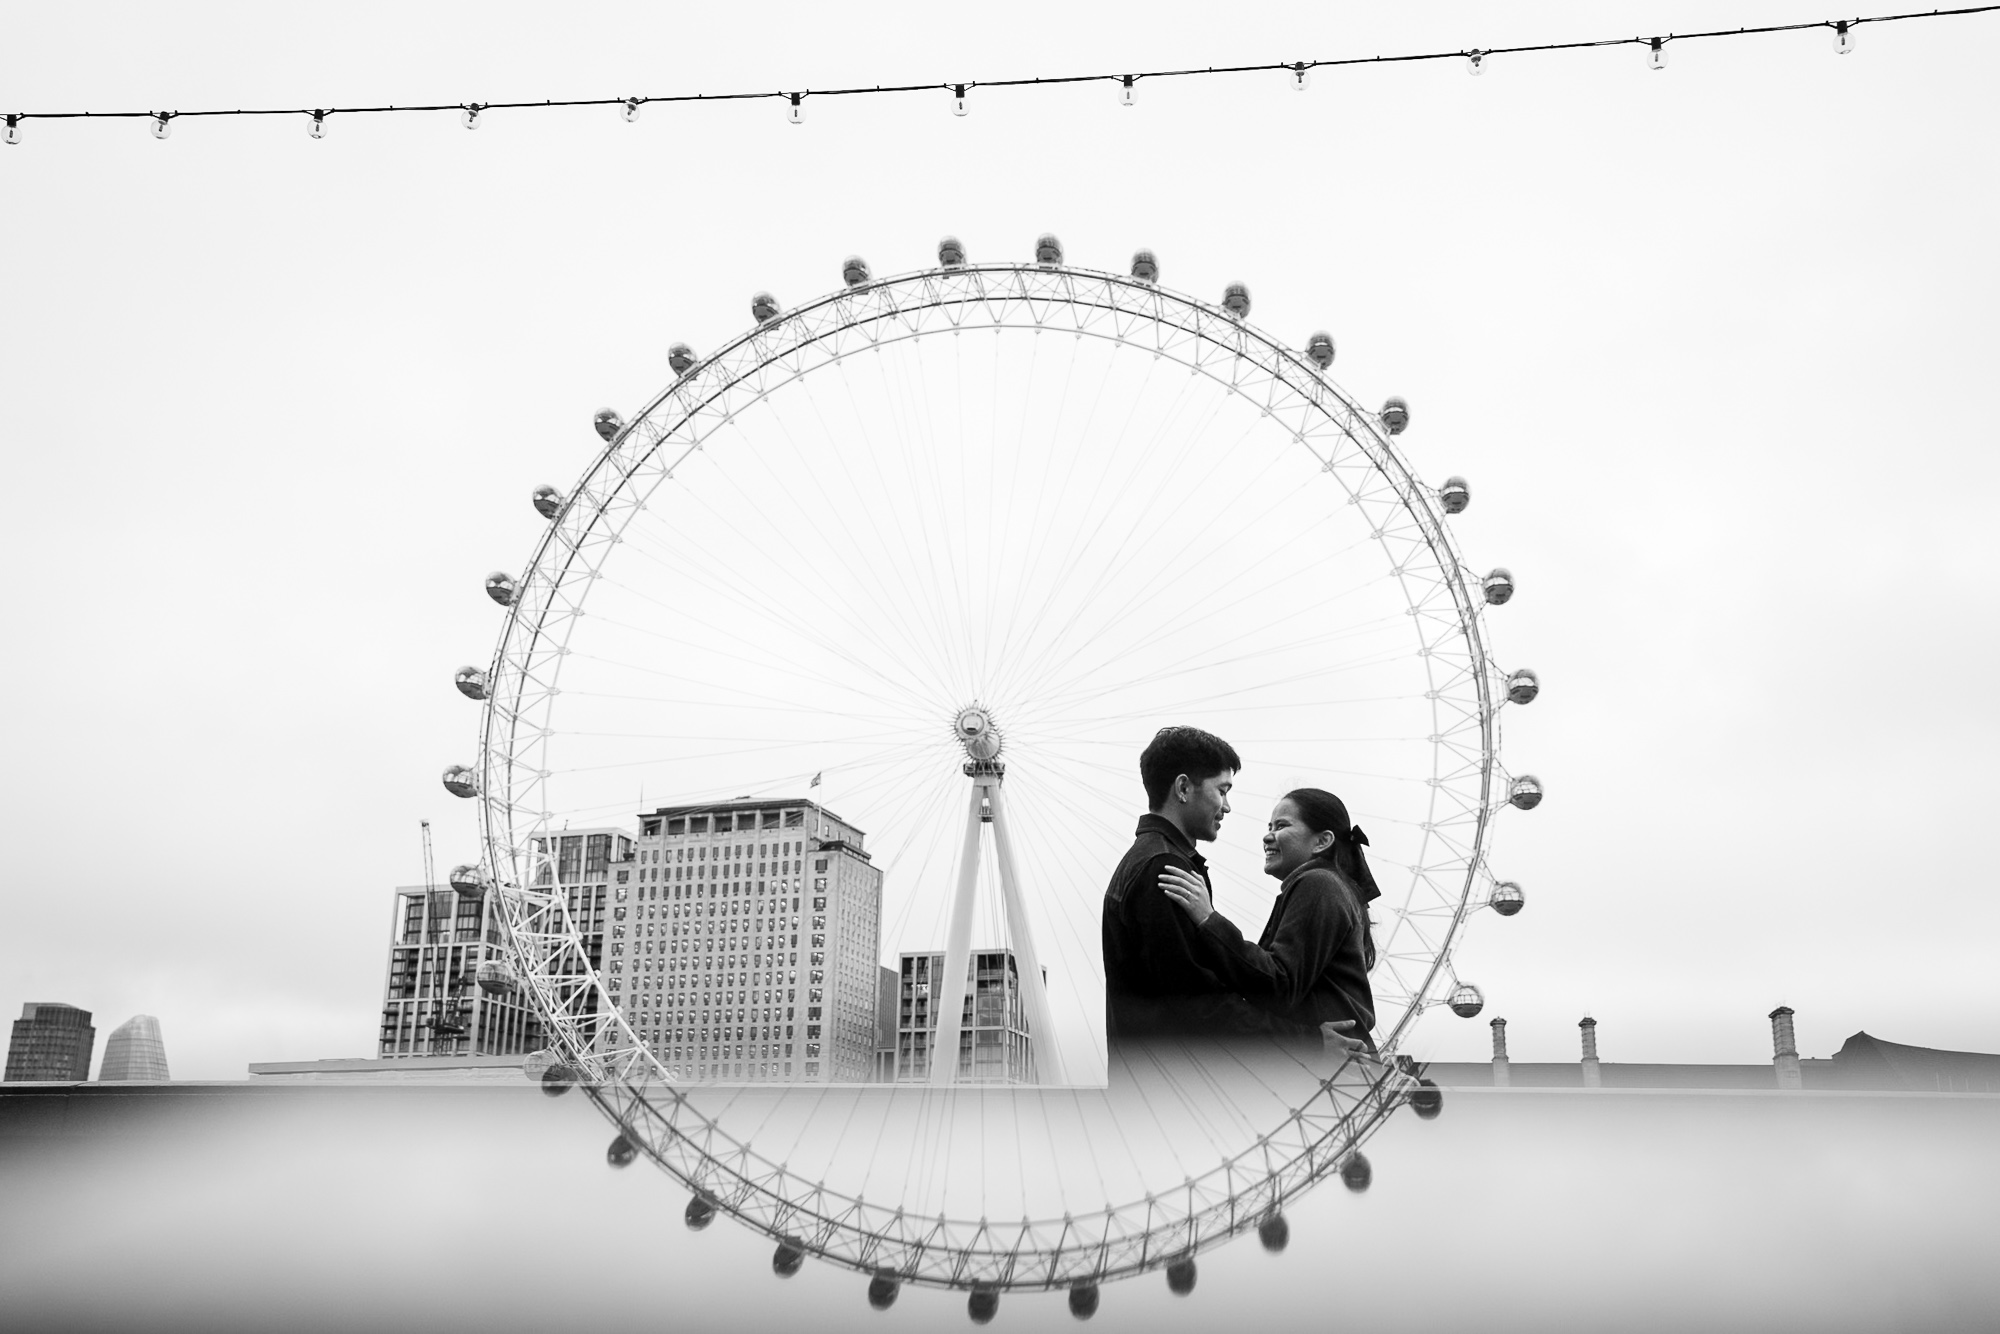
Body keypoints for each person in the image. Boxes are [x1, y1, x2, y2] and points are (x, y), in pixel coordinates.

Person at [1101, 726, 1299, 1044]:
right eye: (1222, 790)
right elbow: (1198, 1004)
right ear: (1183, 788)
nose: (1227, 805)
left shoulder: (1146, 860)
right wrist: (1308, 1042)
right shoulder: (1163, 868)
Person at [1157, 788, 1379, 1054]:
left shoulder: (1318, 884)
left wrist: (1209, 919)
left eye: (1282, 826)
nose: (1267, 836)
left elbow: (1279, 986)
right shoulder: (1328, 887)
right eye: (1270, 826)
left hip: (1337, 1073)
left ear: (1322, 842)